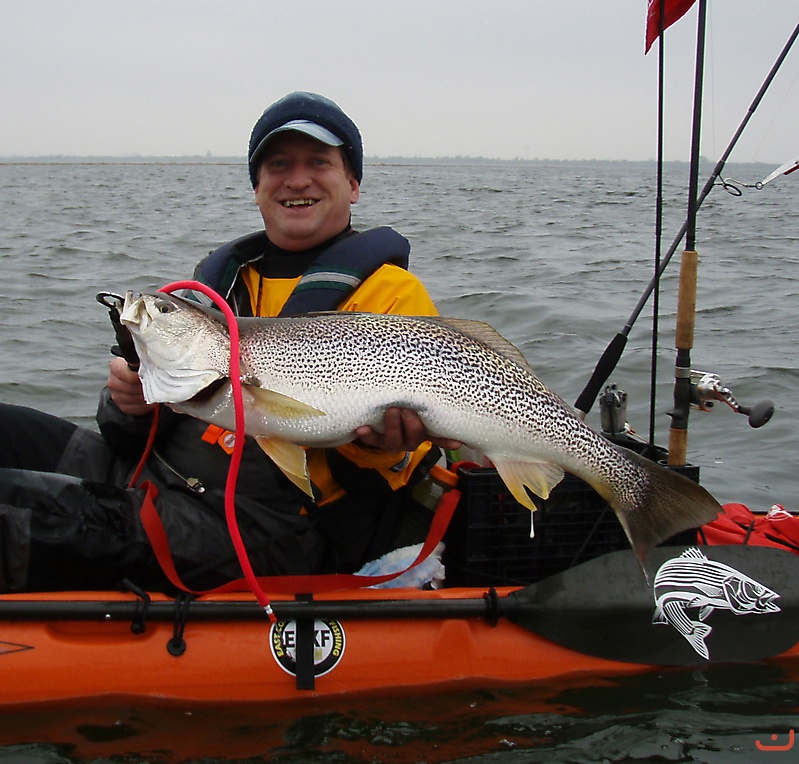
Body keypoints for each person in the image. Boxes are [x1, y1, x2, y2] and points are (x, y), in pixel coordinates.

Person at [0, 91, 458, 593]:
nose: (297, 179)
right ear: (257, 188)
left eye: (318, 162)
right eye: (278, 164)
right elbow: (142, 425)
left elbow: (388, 469)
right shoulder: (216, 286)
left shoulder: (392, 295)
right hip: (156, 474)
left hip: (259, 530)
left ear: (352, 184)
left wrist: (383, 445)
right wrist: (128, 402)